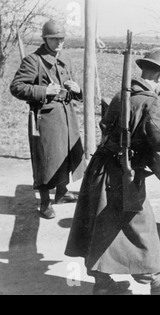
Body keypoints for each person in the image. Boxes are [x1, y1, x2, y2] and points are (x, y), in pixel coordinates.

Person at [65, 47, 160, 296]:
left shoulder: (121, 96)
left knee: (100, 227)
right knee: (140, 225)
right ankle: (159, 284)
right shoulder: (151, 102)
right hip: (122, 175)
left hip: (100, 171)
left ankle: (103, 285)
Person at [10, 20, 86, 220]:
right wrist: (44, 90)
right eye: (54, 39)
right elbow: (16, 87)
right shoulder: (33, 61)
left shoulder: (66, 60)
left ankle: (61, 193)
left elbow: (75, 89)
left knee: (67, 155)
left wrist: (78, 91)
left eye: (61, 39)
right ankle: (45, 202)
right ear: (45, 39)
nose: (59, 43)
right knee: (47, 159)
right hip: (45, 118)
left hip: (67, 115)